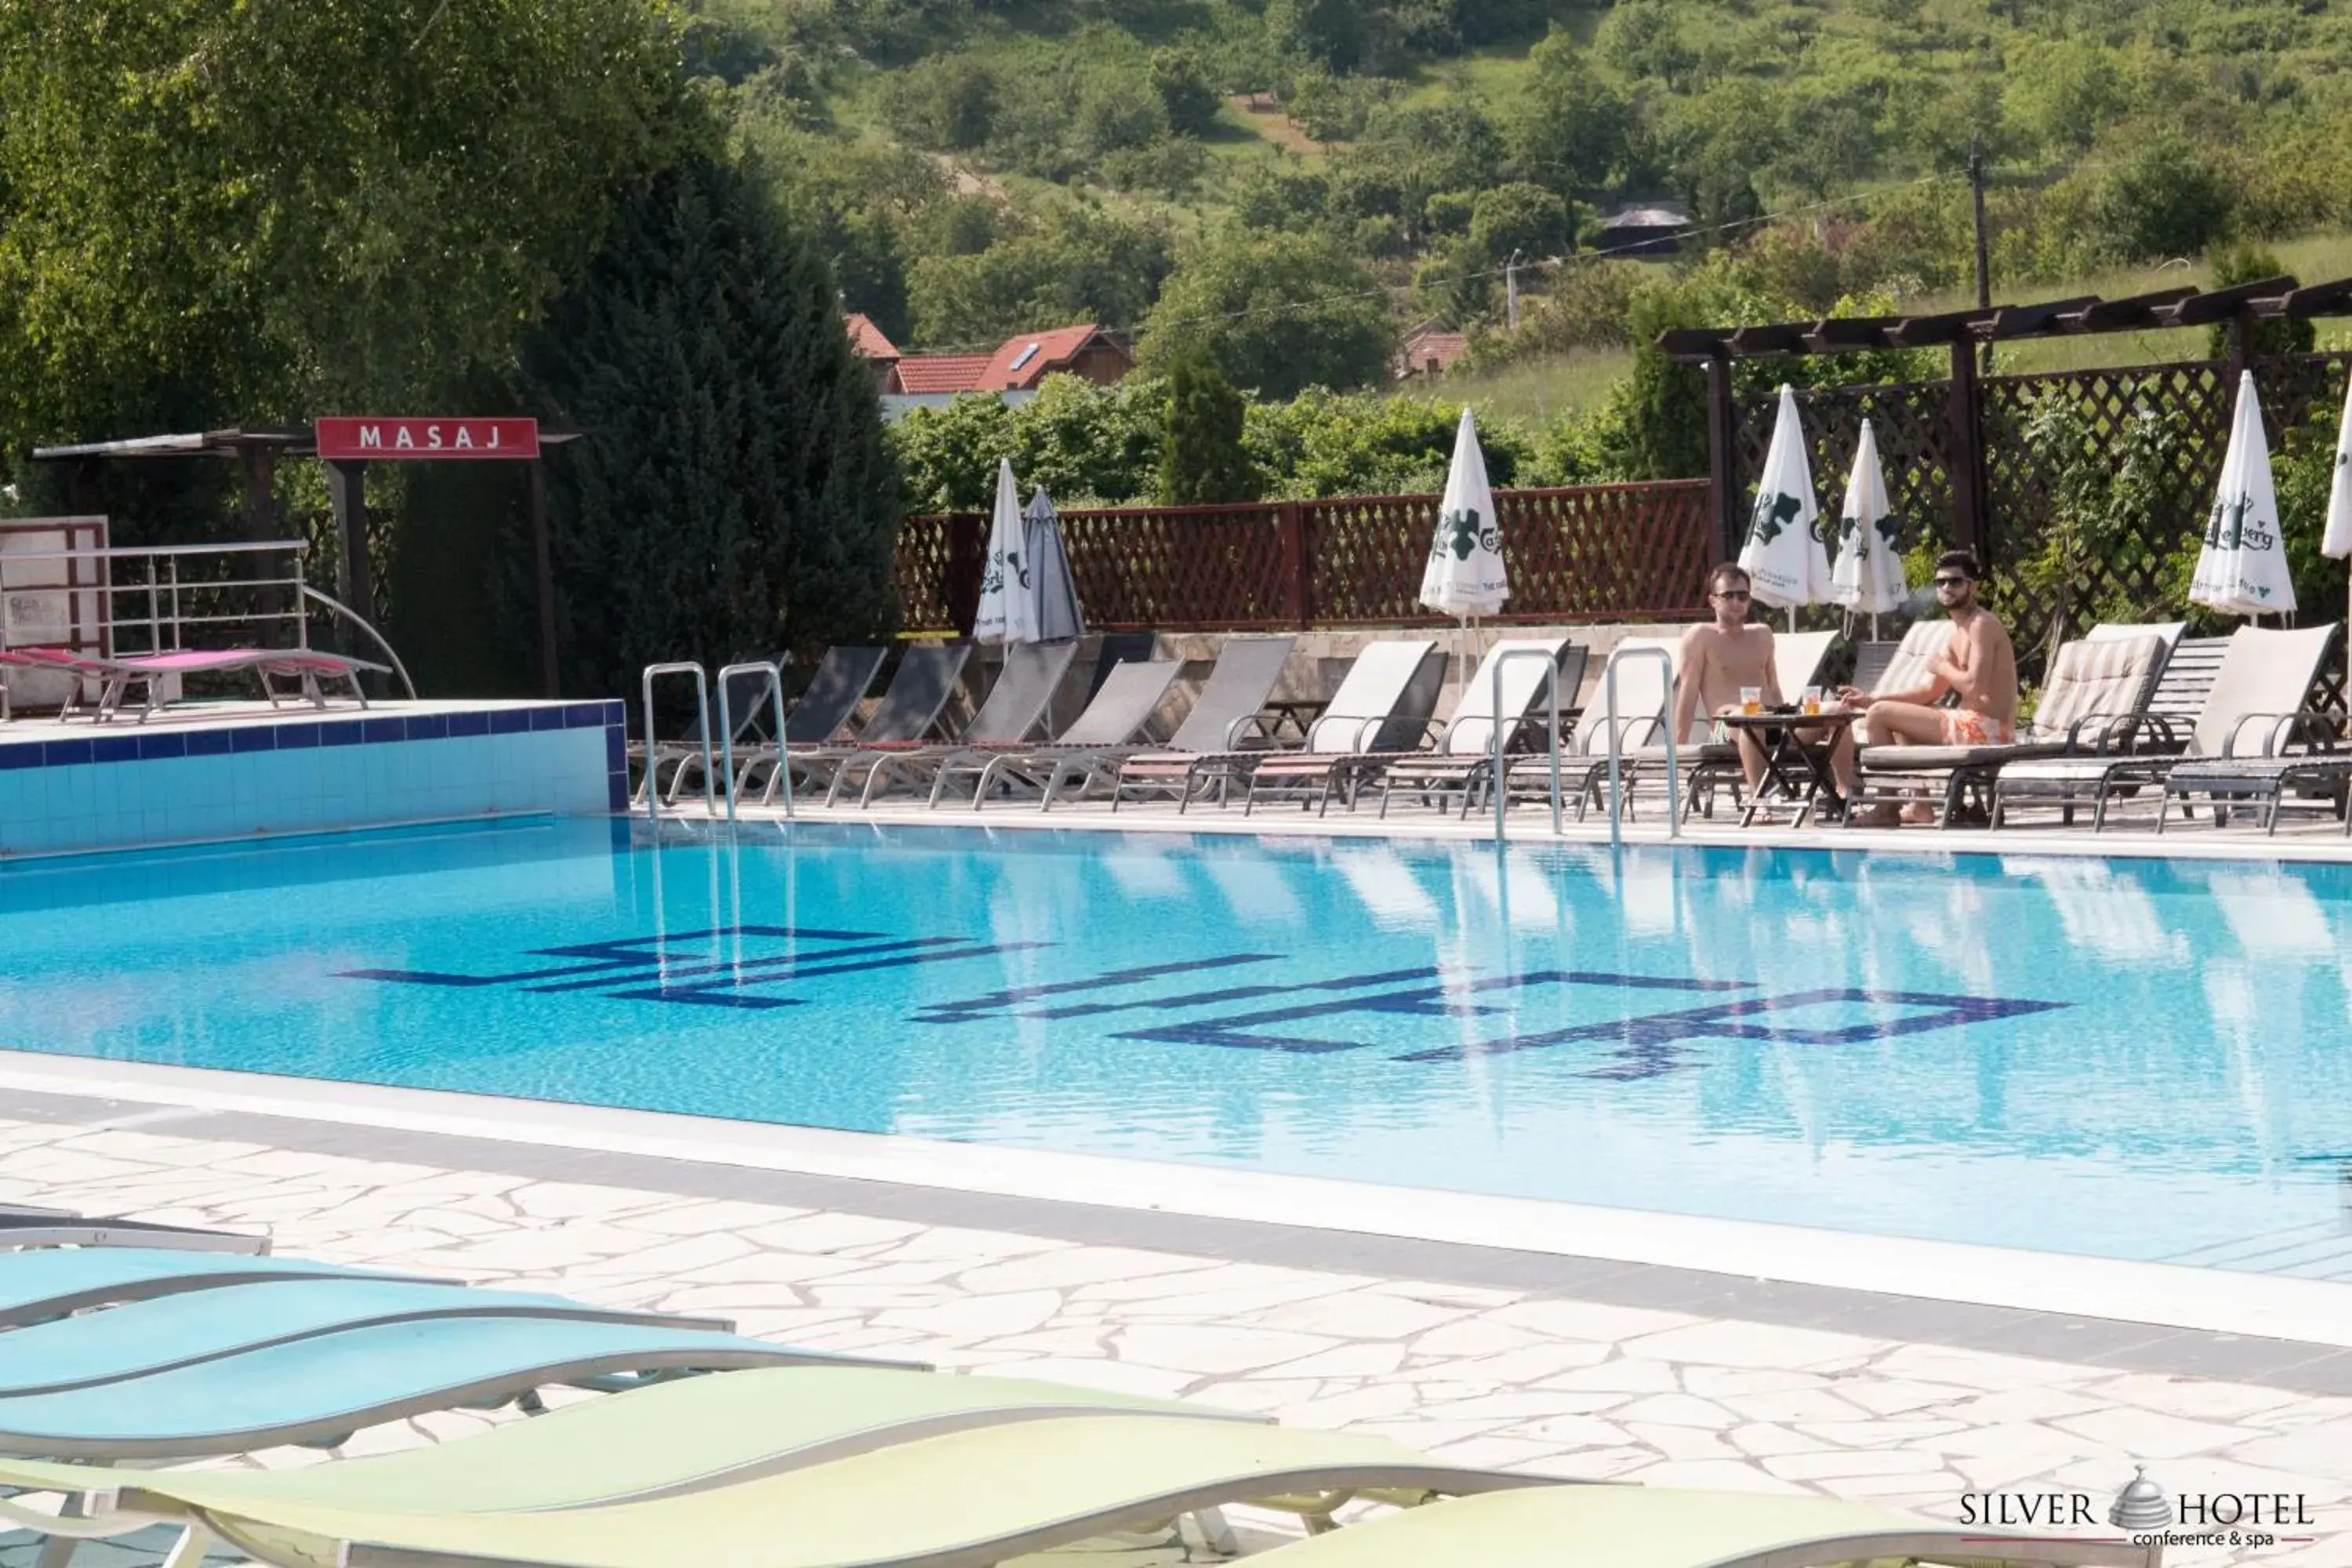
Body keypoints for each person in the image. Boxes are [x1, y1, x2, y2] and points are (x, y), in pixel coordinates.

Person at [1835, 549, 2018, 826]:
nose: (1947, 587)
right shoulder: (1958, 632)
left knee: (1879, 715)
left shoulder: (1982, 624)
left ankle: (1887, 808)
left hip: (1988, 730)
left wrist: (1942, 667)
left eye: (1955, 581)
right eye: (1941, 582)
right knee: (1892, 714)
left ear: (1973, 586)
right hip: (1969, 725)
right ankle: (1920, 805)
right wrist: (1870, 698)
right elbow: (1929, 692)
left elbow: (1974, 687)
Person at [1671, 564, 1813, 818]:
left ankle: (1843, 796)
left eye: (1743, 595)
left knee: (1835, 714)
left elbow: (1773, 686)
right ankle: (1757, 798)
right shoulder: (1701, 637)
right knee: (1752, 716)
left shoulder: (1763, 634)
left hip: (1770, 721)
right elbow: (1688, 694)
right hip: (1724, 729)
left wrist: (1789, 716)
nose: (1736, 602)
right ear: (1713, 600)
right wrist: (1677, 751)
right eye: (1728, 595)